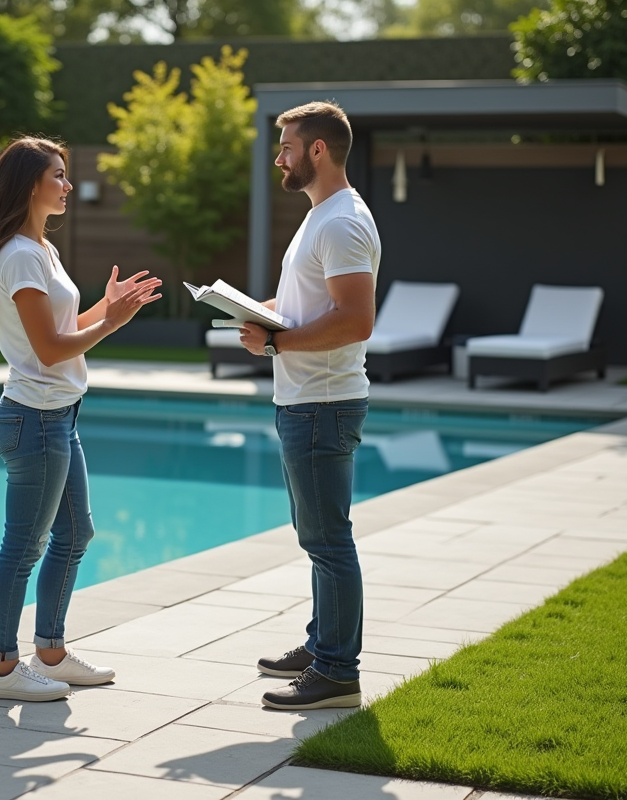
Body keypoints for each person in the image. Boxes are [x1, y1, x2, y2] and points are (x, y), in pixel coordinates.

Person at [0, 137, 162, 701]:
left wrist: (108, 306)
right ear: (30, 184)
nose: (68, 185)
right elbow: (50, 350)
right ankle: (2, 670)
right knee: (24, 546)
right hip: (35, 419)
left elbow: (63, 332)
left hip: (57, 416)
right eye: (59, 175)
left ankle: (49, 652)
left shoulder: (40, 249)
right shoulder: (22, 256)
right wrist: (112, 323)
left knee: (75, 531)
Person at [238, 101, 380, 710]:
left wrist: (275, 340)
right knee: (315, 534)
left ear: (317, 150)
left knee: (328, 540)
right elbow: (310, 303)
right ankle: (323, 645)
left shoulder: (342, 222)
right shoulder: (321, 216)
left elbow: (355, 320)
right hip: (305, 398)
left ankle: (337, 673)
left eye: (288, 147)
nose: (280, 158)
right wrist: (258, 313)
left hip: (322, 403)